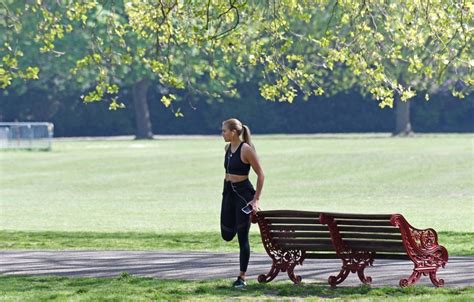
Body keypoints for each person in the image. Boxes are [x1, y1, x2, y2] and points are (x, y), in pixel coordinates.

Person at [220, 118, 265, 288]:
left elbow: (261, 174)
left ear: (234, 132)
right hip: (228, 194)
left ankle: (242, 277)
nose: (222, 134)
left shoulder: (246, 149)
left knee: (242, 236)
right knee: (226, 234)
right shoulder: (227, 148)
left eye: (224, 131)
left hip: (243, 195)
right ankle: (241, 276)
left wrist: (256, 199)